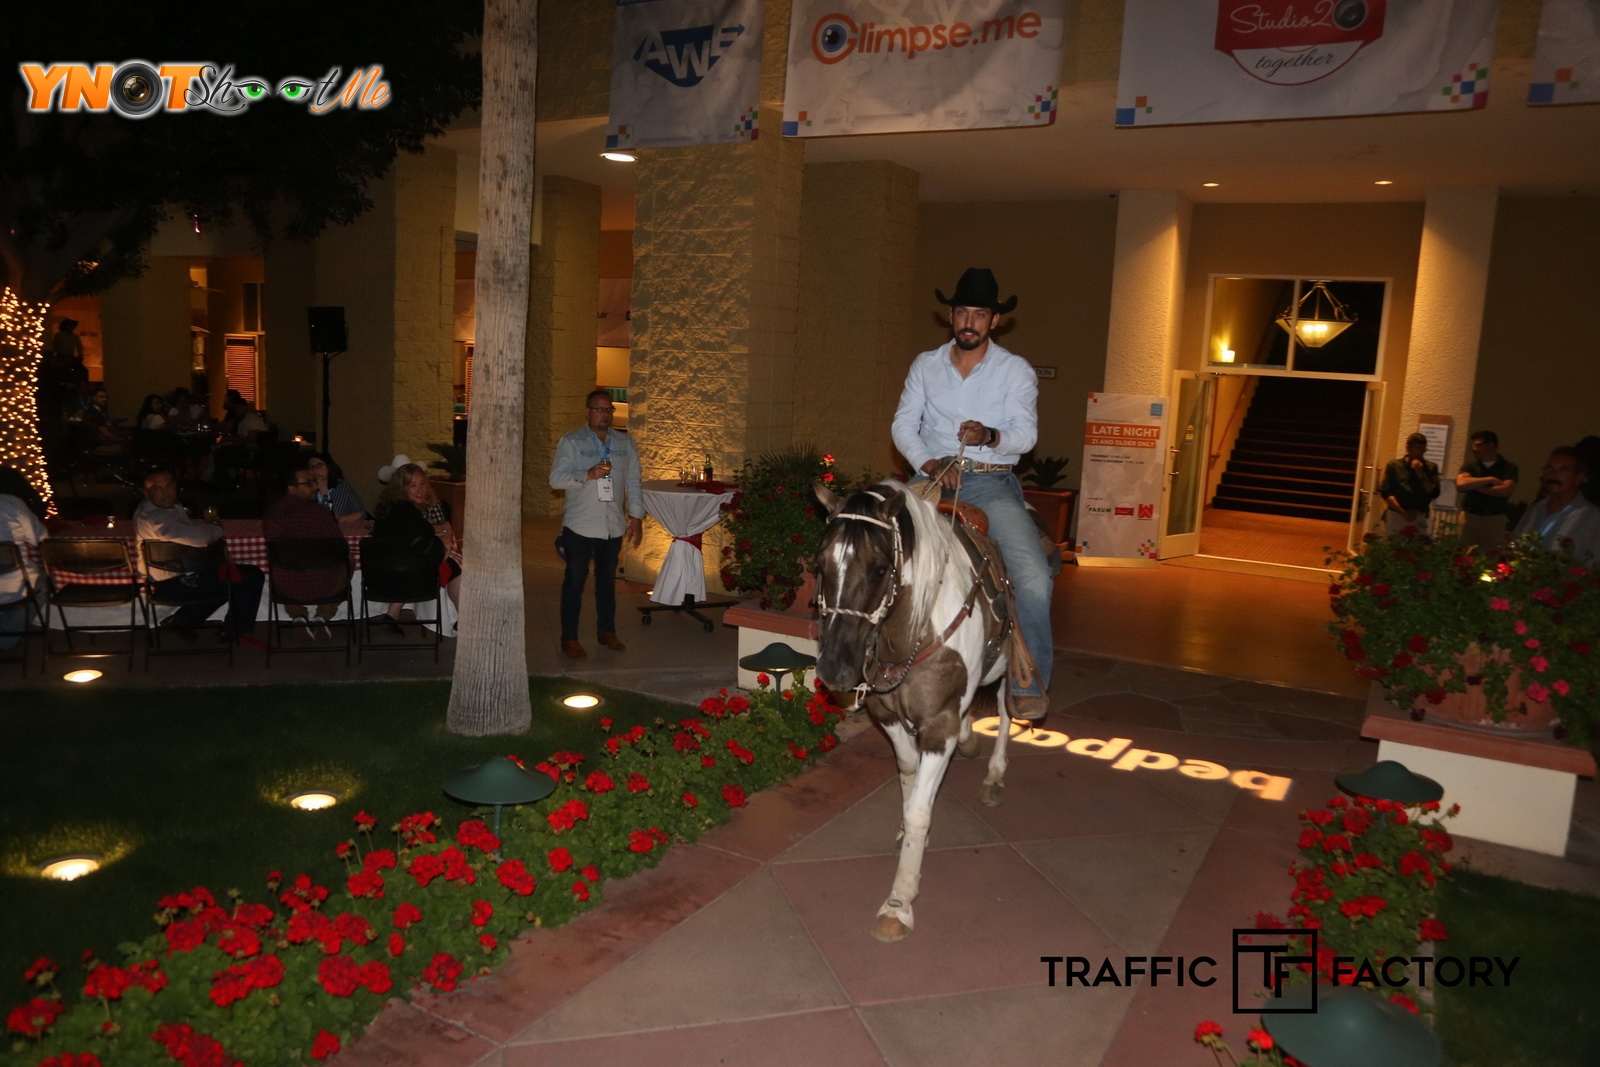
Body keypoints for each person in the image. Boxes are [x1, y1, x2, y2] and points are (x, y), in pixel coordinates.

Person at [890, 267, 1053, 721]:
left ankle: (1028, 681)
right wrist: (930, 464)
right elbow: (904, 425)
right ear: (951, 316)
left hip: (990, 481)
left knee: (1034, 579)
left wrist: (989, 435)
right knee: (878, 551)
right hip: (930, 478)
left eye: (979, 314)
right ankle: (876, 659)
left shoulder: (1014, 371)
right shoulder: (926, 365)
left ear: (994, 321)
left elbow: (1026, 435)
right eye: (962, 312)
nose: (969, 322)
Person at [548, 388, 643, 659]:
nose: (605, 414)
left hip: (611, 526)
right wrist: (586, 474)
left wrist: (636, 517)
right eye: (600, 409)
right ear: (587, 412)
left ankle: (607, 631)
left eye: (609, 409)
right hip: (580, 526)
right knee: (575, 582)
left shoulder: (624, 443)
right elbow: (555, 479)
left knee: (607, 583)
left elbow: (633, 482)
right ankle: (569, 638)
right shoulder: (572, 441)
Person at [134, 468, 265, 641]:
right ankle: (236, 630)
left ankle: (184, 620)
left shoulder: (166, 509)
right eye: (157, 488)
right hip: (173, 585)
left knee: (228, 576)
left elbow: (190, 535)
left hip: (182, 578)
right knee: (251, 576)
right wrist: (215, 526)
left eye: (169, 485)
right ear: (146, 492)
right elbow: (201, 538)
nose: (166, 492)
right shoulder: (154, 518)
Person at [369, 462, 461, 634]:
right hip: (412, 582)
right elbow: (431, 553)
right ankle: (463, 618)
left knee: (407, 562)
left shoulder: (387, 511)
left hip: (378, 580)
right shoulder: (409, 513)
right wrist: (444, 543)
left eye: (422, 484)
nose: (420, 490)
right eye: (413, 486)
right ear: (401, 488)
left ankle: (392, 615)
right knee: (455, 566)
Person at [262, 462, 346, 636]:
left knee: (280, 568)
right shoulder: (319, 513)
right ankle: (323, 615)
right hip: (324, 584)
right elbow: (340, 547)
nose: (315, 487)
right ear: (291, 488)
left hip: (286, 587)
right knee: (348, 561)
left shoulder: (272, 514)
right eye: (308, 483)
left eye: (314, 482)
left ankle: (298, 616)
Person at [1510, 447, 1600, 562]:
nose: (1552, 475)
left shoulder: (1591, 517)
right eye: (1549, 468)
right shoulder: (1536, 510)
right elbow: (1515, 543)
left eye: (1563, 470)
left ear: (1579, 478)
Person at [1453, 430, 1518, 550]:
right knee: (1463, 554)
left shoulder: (1508, 467)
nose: (1474, 449)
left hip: (1493, 520)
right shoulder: (1470, 466)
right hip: (1469, 517)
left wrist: (1474, 484)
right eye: (1473, 446)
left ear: (1490, 445)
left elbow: (1505, 490)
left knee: (1491, 555)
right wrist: (1489, 479)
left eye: (1477, 445)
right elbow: (1461, 484)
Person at [0, 490, 47, 651]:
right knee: (45, 577)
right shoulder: (10, 503)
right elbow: (40, 537)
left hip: (14, 589)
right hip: (16, 590)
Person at [1378, 432, 1440, 536]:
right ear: (1408, 447)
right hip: (1397, 514)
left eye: (1423, 450)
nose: (1420, 453)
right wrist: (1403, 512)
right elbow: (1385, 492)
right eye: (1417, 449)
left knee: (1417, 544)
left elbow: (1434, 493)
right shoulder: (1394, 466)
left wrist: (1421, 473)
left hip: (1419, 515)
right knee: (1393, 544)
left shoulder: (1431, 467)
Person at [309, 452, 366, 522]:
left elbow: (361, 514)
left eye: (319, 465)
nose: (315, 470)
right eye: (312, 467)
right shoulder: (308, 490)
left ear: (328, 466)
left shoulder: (343, 487)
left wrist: (341, 518)